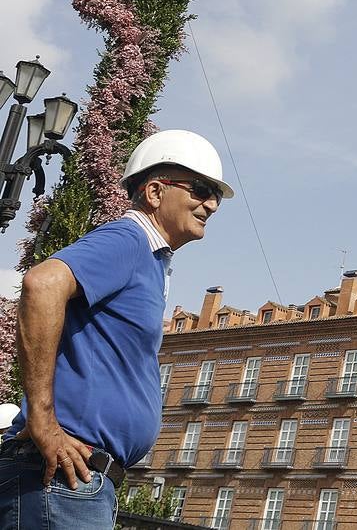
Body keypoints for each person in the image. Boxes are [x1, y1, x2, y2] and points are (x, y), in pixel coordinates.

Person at [0, 129, 234, 529]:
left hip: (73, 480)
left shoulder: (150, 257)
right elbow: (42, 283)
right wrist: (42, 419)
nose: (210, 204)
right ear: (155, 192)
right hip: (61, 478)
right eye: (199, 190)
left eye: (215, 196)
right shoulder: (129, 239)